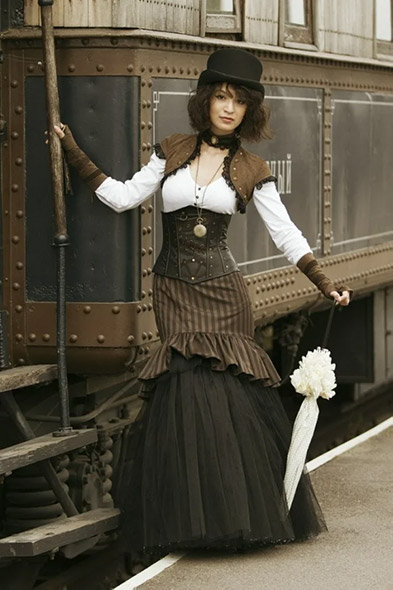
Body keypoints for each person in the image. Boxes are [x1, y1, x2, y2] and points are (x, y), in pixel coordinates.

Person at [55, 48, 351, 553]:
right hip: (172, 291)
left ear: (249, 110)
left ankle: (232, 521)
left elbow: (287, 235)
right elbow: (124, 196)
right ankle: (196, 522)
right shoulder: (172, 149)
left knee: (222, 401)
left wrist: (325, 283)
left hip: (223, 295)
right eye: (220, 96)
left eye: (238, 100)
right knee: (184, 399)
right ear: (205, 101)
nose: (228, 107)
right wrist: (73, 153)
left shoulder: (252, 169)